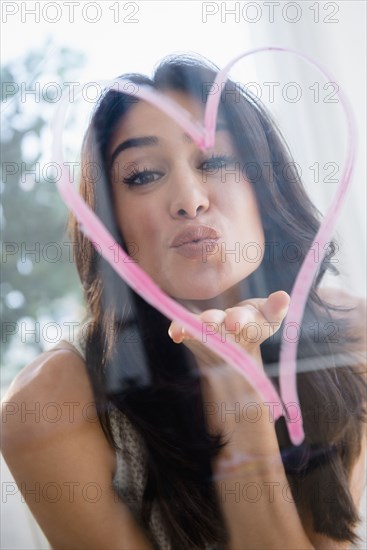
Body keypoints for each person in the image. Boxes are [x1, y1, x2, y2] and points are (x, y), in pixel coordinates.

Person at [1, 53, 366, 550]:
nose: (190, 199)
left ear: (266, 188)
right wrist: (236, 389)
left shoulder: (350, 337)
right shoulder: (45, 406)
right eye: (143, 175)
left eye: (215, 160)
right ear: (110, 224)